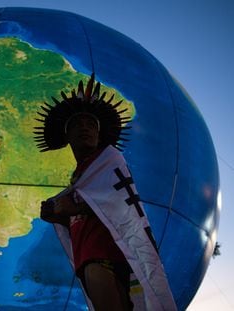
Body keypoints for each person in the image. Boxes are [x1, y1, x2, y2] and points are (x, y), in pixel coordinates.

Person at [33, 74, 176, 310]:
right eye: (77, 124)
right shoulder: (80, 178)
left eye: (91, 124)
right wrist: (58, 215)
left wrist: (74, 207)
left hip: (106, 256)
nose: (85, 128)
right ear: (66, 136)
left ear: (99, 134)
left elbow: (119, 206)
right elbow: (90, 216)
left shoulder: (110, 161)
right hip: (88, 256)